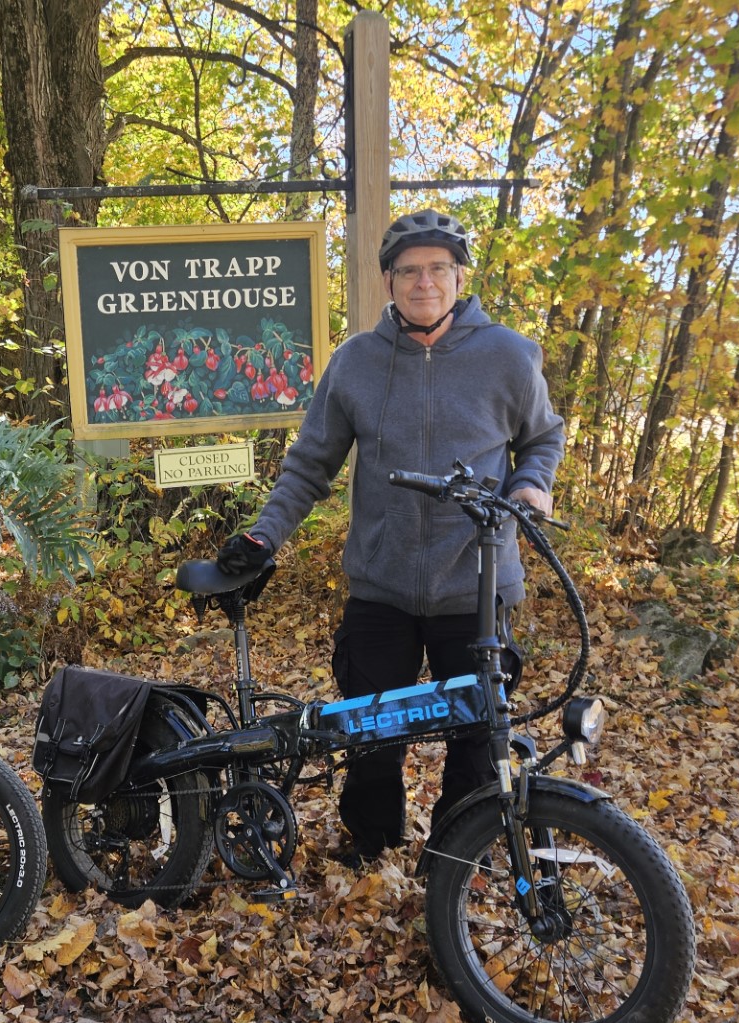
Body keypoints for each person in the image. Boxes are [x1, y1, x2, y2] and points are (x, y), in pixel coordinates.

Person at [216, 208, 565, 868]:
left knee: (475, 739)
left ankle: (452, 861)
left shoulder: (510, 357)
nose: (424, 282)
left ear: (460, 276)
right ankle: (372, 845)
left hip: (479, 581)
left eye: (438, 268)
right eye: (409, 270)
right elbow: (310, 465)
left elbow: (543, 435)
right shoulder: (355, 364)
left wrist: (531, 484)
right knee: (371, 733)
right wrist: (263, 539)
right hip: (384, 586)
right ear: (388, 282)